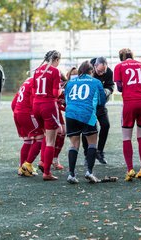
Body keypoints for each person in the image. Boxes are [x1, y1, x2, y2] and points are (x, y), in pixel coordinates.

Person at [64, 61, 106, 184]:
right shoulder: (96, 82)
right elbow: (101, 101)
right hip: (87, 114)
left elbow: (67, 99)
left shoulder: (70, 82)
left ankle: (71, 174)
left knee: (73, 144)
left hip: (70, 114)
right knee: (92, 143)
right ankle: (89, 172)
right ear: (91, 71)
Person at [113, 48, 141, 181]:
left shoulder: (119, 66)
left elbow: (119, 87)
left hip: (130, 103)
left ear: (121, 57)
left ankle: (130, 169)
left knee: (126, 137)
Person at [28, 50, 62, 181]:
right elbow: (54, 93)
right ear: (56, 60)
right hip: (48, 106)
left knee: (45, 136)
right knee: (51, 141)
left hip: (36, 105)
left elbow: (33, 90)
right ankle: (47, 172)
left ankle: (43, 162)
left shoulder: (37, 70)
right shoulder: (55, 71)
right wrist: (61, 91)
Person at [82, 57, 114, 164]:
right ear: (94, 67)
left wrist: (107, 91)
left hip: (100, 104)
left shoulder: (108, 72)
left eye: (103, 71)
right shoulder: (87, 70)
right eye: (99, 71)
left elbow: (111, 86)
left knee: (106, 125)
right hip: (88, 105)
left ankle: (99, 152)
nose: (102, 73)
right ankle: (87, 154)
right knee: (87, 129)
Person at [11, 76, 43, 176]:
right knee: (40, 138)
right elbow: (34, 102)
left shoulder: (27, 81)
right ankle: (27, 165)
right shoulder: (37, 82)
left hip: (17, 112)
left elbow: (13, 103)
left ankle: (22, 167)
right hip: (27, 113)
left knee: (28, 140)